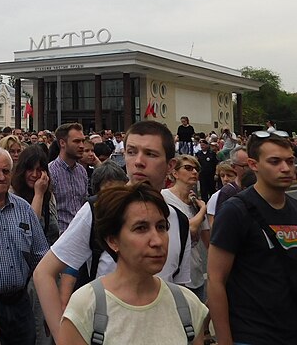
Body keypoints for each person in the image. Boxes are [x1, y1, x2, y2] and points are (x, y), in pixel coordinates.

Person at [33, 120, 192, 344]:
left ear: (170, 166)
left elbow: (178, 291)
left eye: (150, 154)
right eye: (131, 152)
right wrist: (63, 338)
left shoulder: (180, 222)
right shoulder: (99, 210)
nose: (138, 162)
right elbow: (44, 273)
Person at [208, 131, 297, 345]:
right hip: (250, 335)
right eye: (275, 161)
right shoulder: (234, 211)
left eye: (289, 161)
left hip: (296, 333)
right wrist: (225, 341)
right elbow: (215, 280)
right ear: (253, 164)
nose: (286, 168)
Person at [60, 183, 208, 345]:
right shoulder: (86, 307)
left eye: (161, 227)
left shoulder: (187, 306)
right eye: (141, 228)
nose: (157, 241)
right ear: (113, 240)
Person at [0, 146, 49, 345]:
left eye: (6, 171)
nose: (1, 176)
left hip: (20, 304)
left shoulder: (23, 208)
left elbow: (41, 255)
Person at [162, 155, 209, 303]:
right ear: (175, 173)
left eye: (196, 169)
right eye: (188, 168)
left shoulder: (195, 202)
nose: (194, 172)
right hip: (175, 276)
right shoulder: (164, 197)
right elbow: (189, 229)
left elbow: (207, 239)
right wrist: (203, 210)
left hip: (196, 273)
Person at [11, 145, 59, 245]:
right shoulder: (12, 196)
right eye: (30, 170)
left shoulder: (49, 197)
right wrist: (38, 194)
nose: (34, 175)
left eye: (39, 170)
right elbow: (30, 230)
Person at [48, 123, 89, 233]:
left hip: (82, 235)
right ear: (62, 143)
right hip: (60, 237)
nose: (81, 146)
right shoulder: (50, 172)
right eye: (76, 141)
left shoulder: (82, 171)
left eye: (82, 141)